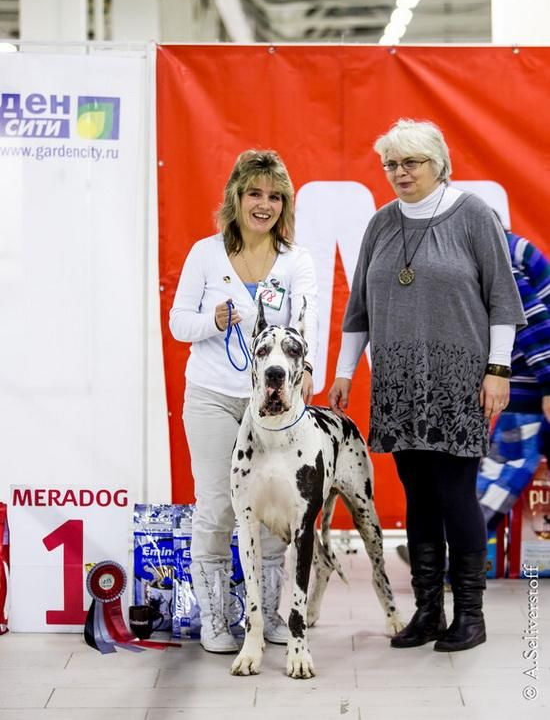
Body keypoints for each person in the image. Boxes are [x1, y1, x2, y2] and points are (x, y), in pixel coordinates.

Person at [328, 119, 525, 653]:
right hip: (397, 382)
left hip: (459, 381)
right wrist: (345, 371)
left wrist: (498, 369)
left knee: (455, 492)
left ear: (438, 163)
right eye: (391, 164)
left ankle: (470, 615)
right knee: (417, 495)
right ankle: (428, 611)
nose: (399, 172)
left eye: (410, 162)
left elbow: (502, 301)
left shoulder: (474, 216)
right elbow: (359, 309)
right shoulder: (380, 223)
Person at [169, 149, 318, 653]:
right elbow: (178, 323)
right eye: (255, 193)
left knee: (275, 512)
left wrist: (307, 371)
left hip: (275, 408)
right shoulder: (205, 253)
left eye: (275, 196)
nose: (264, 205)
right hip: (212, 397)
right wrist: (211, 321)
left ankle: (269, 616)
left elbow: (308, 321)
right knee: (216, 507)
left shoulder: (296, 260)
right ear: (236, 196)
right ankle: (215, 619)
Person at [477, 229, 550, 529]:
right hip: (530, 374)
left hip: (532, 378)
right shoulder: (505, 248)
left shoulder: (496, 255)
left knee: (506, 467)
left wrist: (549, 385)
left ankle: (455, 545)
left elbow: (530, 320)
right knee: (500, 466)